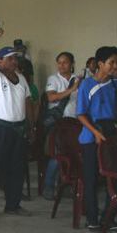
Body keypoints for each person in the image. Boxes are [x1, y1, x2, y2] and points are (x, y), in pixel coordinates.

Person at [0, 28, 34, 218]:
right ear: (0, 61)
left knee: (16, 167)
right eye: (10, 58)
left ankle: (13, 204)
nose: (14, 61)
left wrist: (31, 125)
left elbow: (27, 101)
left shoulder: (21, 79)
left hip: (18, 129)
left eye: (15, 58)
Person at [76, 46, 117, 230]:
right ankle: (92, 218)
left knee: (112, 177)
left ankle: (109, 217)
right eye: (112, 62)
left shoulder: (114, 84)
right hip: (91, 136)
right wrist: (96, 133)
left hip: (110, 133)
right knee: (91, 178)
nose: (115, 66)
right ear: (100, 64)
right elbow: (80, 114)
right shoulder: (87, 85)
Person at [42, 52, 81, 199]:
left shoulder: (78, 79)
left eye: (65, 62)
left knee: (75, 154)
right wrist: (72, 89)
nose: (61, 65)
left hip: (76, 122)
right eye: (59, 62)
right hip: (59, 123)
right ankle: (49, 186)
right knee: (57, 155)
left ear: (72, 64)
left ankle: (69, 185)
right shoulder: (54, 79)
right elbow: (51, 97)